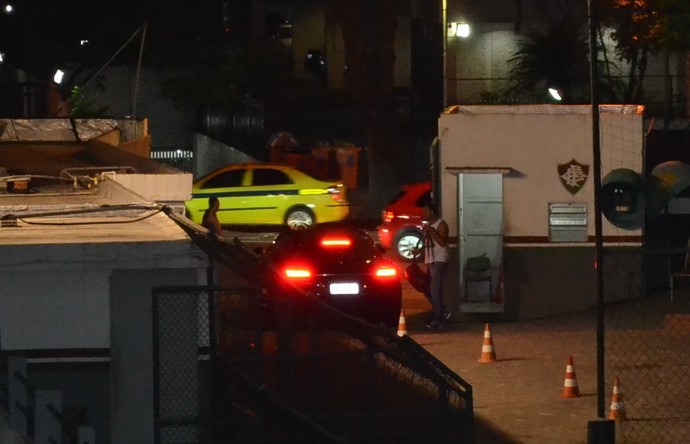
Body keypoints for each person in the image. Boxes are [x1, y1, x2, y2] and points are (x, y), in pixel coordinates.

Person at [422, 202, 452, 329]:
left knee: (435, 290)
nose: (424, 214)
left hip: (440, 260)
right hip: (430, 260)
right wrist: (418, 252)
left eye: (425, 211)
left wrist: (432, 231)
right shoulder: (428, 225)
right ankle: (442, 311)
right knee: (428, 289)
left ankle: (438, 318)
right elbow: (427, 244)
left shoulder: (441, 225)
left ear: (432, 212)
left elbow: (441, 242)